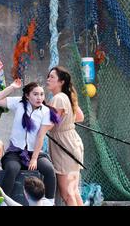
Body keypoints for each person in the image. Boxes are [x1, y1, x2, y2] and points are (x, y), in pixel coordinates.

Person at [0, 79, 60, 203]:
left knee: (49, 169)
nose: (39, 97)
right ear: (27, 96)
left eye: (41, 94)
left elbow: (40, 136)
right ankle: (2, 202)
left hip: (35, 153)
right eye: (35, 94)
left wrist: (34, 158)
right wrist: (12, 87)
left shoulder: (45, 111)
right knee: (12, 169)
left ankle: (50, 202)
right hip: (15, 153)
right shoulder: (18, 103)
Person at [47, 66, 84, 206]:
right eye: (48, 76)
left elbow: (49, 125)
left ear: (61, 82)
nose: (48, 79)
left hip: (64, 147)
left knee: (67, 193)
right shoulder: (66, 96)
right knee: (73, 191)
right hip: (72, 142)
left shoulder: (58, 98)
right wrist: (66, 121)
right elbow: (79, 117)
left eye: (52, 77)